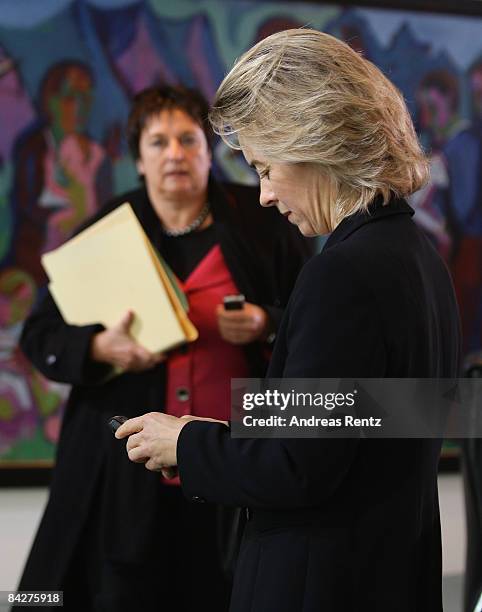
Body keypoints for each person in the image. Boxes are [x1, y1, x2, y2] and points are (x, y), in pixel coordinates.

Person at [116, 30, 461, 612]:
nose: (264, 196)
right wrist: (238, 429)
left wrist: (188, 443)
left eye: (266, 167)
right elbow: (361, 426)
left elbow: (299, 467)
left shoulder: (342, 275)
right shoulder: (417, 256)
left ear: (316, 142)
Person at [16, 84, 312, 611]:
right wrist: (100, 347)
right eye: (158, 142)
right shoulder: (109, 228)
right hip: (124, 470)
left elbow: (313, 319)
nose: (175, 153)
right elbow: (39, 335)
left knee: (226, 592)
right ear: (139, 159)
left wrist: (267, 322)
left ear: (208, 150)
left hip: (231, 458)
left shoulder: (263, 219)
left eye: (188, 139)